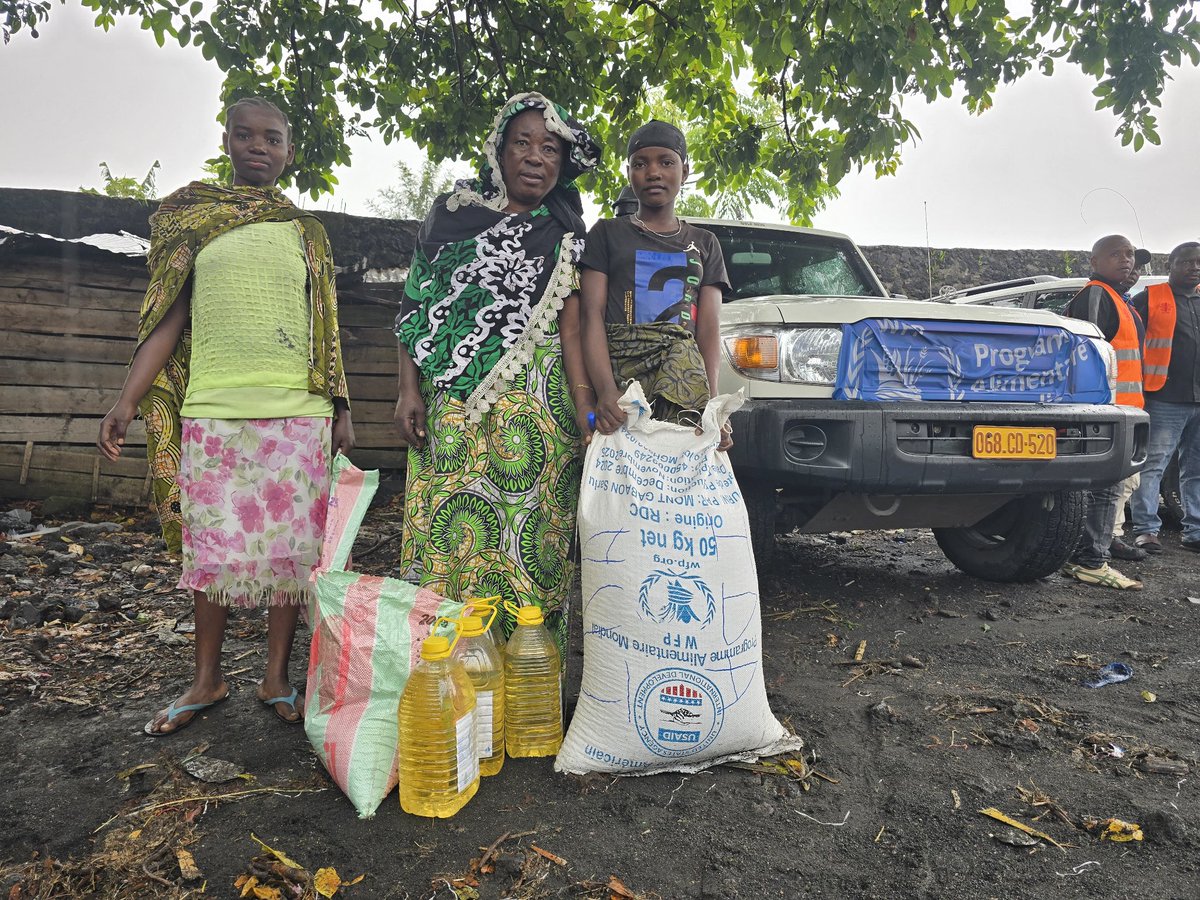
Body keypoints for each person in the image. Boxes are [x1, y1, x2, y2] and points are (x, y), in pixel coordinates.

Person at [97, 97, 355, 735]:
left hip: (299, 410)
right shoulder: (193, 223)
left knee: (293, 557)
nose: (258, 147)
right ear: (227, 142)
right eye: (245, 135)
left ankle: (275, 677)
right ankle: (206, 679)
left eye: (272, 138)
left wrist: (341, 406)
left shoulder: (306, 232)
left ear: (290, 151)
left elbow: (326, 324)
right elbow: (168, 319)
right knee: (209, 551)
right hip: (212, 407)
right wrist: (128, 397)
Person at [393, 91, 598, 658]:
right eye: (522, 143)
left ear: (562, 163)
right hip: (452, 412)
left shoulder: (567, 236)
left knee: (534, 548)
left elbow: (574, 331)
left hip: (540, 415)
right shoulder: (452, 220)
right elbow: (416, 306)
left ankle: (524, 687)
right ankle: (447, 688)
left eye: (549, 148)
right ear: (499, 151)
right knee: (448, 542)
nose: (535, 157)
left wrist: (584, 415)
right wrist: (407, 389)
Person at [580, 120, 732, 448]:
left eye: (666, 162)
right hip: (621, 387)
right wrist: (605, 390)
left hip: (684, 384)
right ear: (629, 172)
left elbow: (708, 329)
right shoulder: (606, 233)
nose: (653, 172)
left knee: (680, 487)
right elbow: (590, 316)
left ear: (685, 171)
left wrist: (714, 407)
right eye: (640, 164)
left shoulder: (705, 243)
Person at [1060, 234, 1145, 589]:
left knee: (1114, 485)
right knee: (1106, 486)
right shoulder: (1096, 294)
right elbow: (1087, 353)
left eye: (1129, 255)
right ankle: (1091, 560)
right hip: (1106, 408)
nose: (1126, 261)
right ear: (1094, 263)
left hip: (1125, 407)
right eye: (1115, 255)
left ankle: (1089, 553)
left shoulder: (1119, 299)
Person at [1128, 242, 1200, 553]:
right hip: (1164, 396)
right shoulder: (1150, 298)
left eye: (1198, 262)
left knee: (1196, 469)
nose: (1193, 267)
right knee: (1152, 465)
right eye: (1186, 261)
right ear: (1170, 264)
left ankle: (1195, 531)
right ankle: (1146, 529)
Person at [1109, 247, 1154, 560]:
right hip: (1113, 405)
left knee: (1127, 481)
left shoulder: (1127, 303)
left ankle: (1111, 536)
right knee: (1116, 483)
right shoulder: (1101, 298)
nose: (1133, 269)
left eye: (1137, 266)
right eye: (1126, 263)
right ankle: (1104, 540)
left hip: (1133, 404)